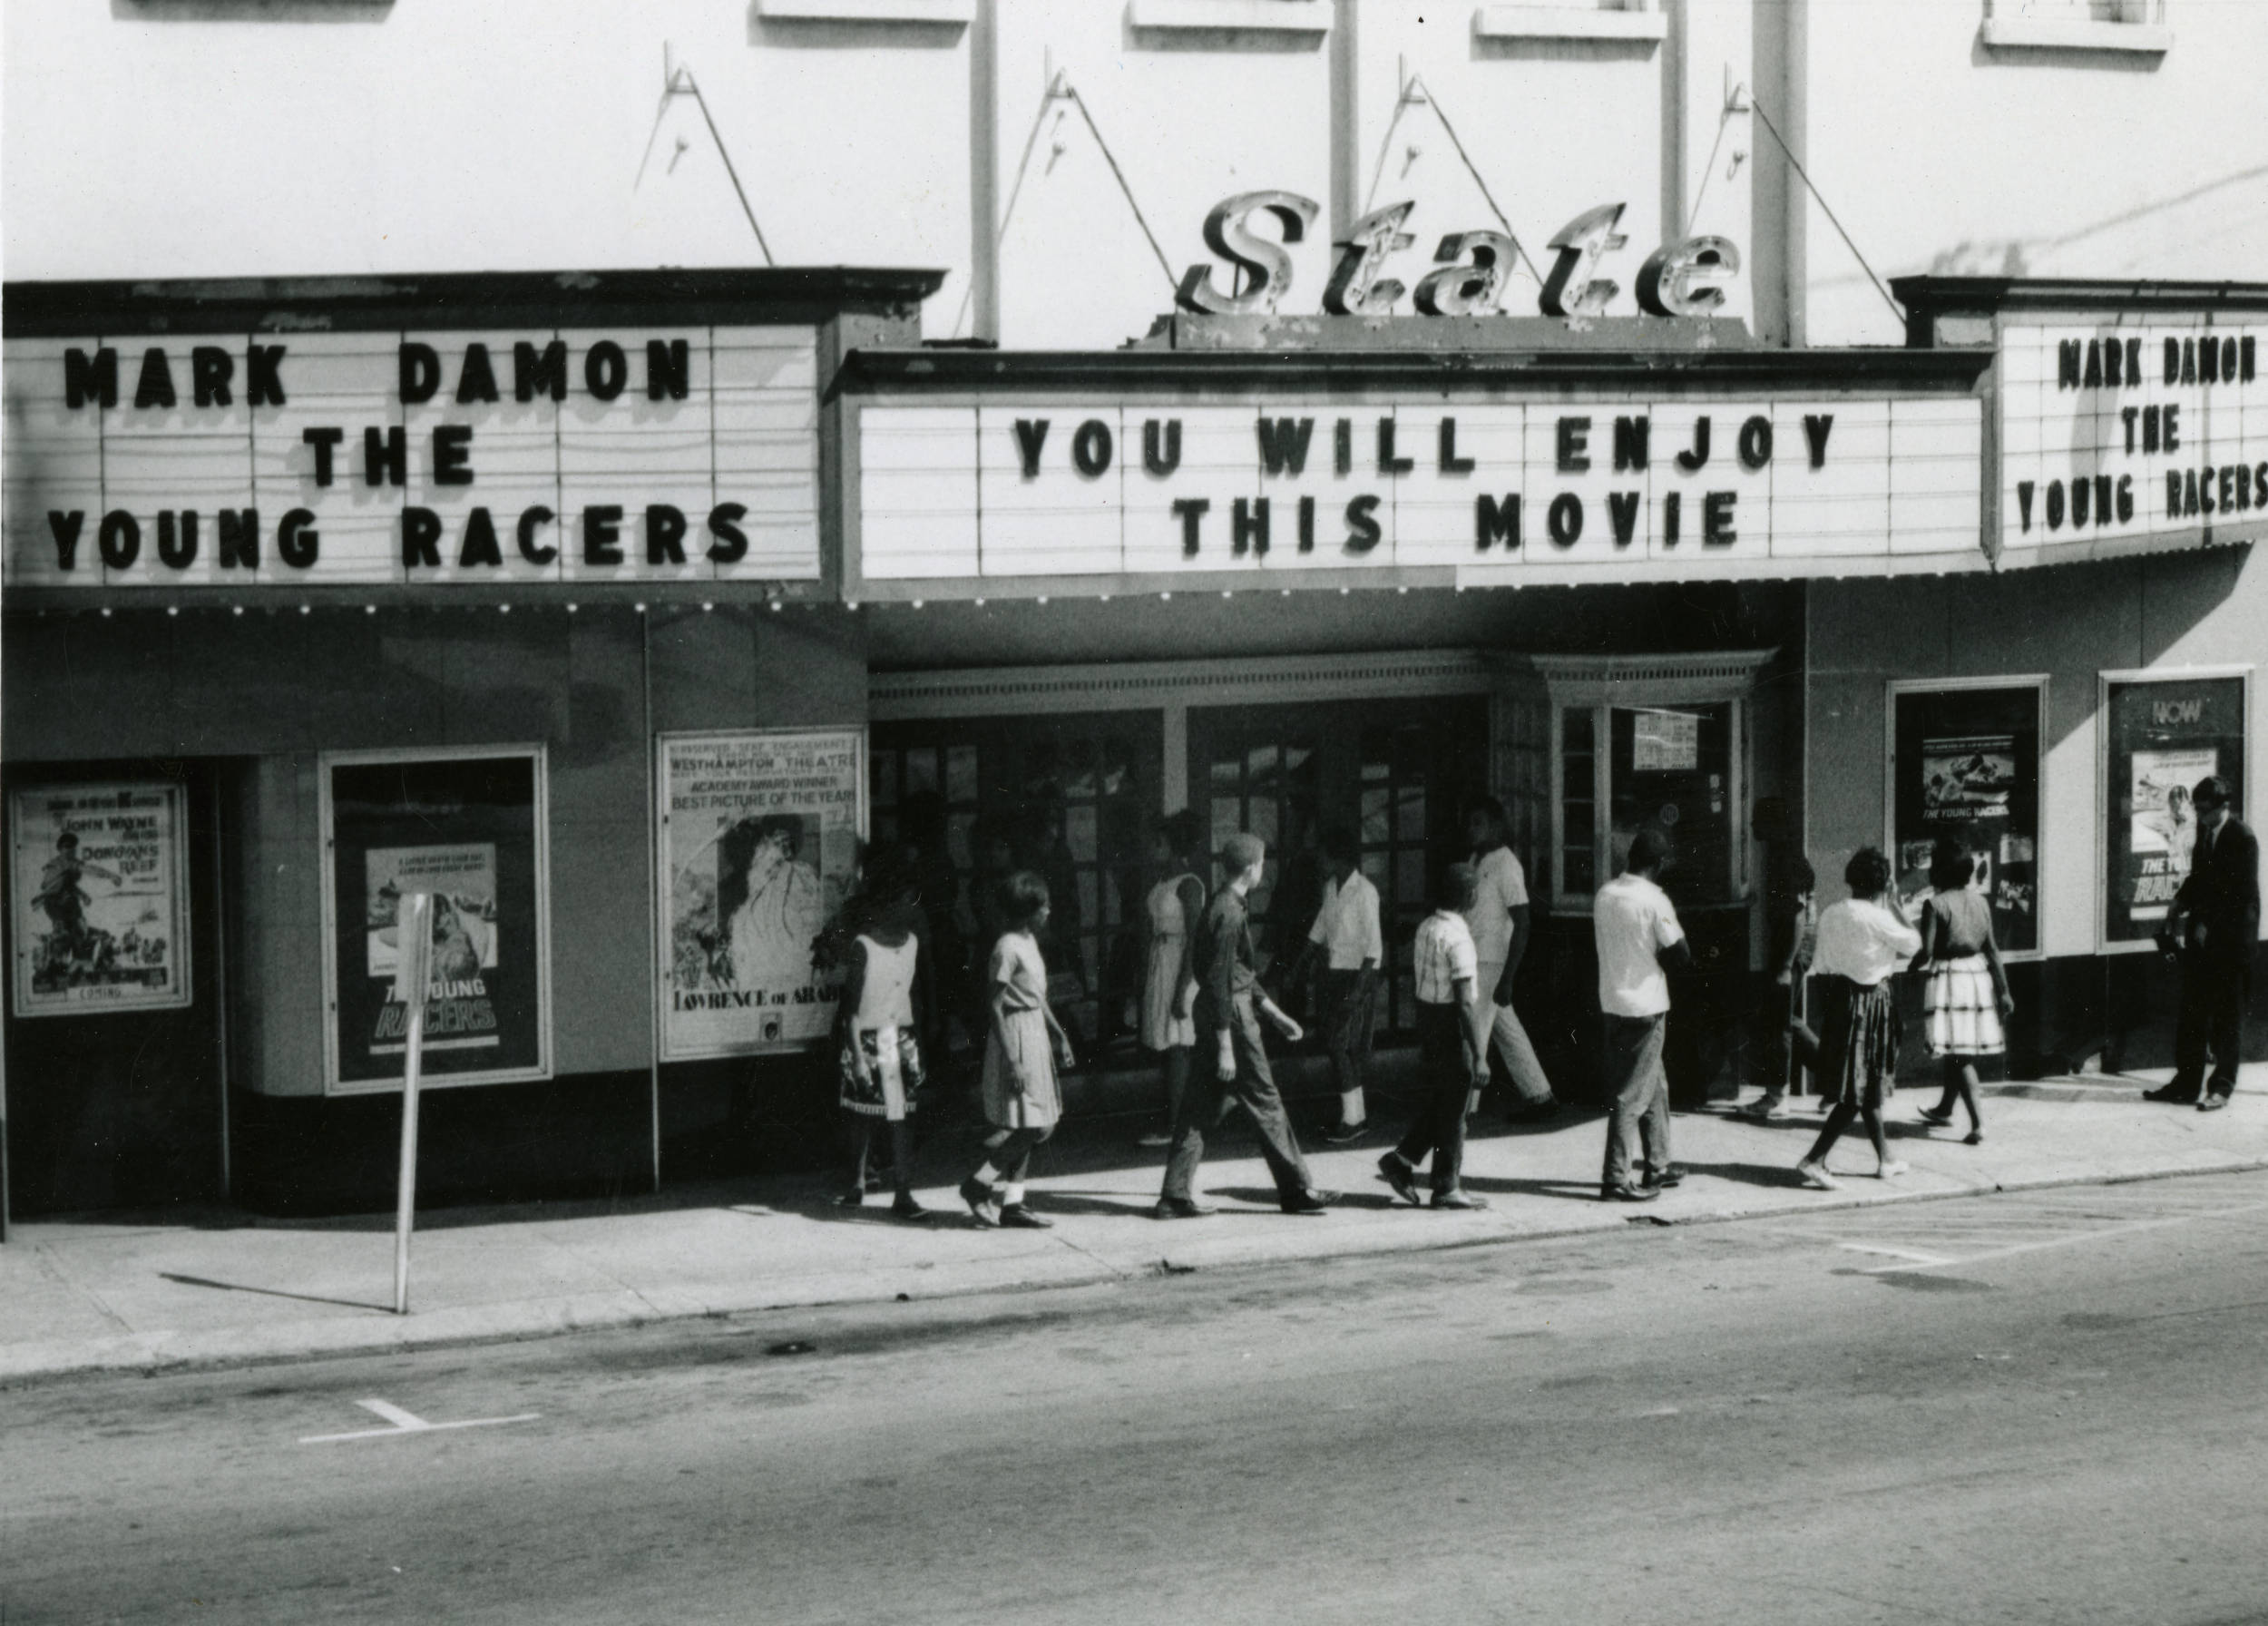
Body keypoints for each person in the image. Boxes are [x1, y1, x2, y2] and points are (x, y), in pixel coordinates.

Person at [1154, 832, 1334, 1219]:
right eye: (1262, 863)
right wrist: (1225, 1044)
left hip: (1222, 1012)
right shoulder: (1230, 913)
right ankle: (1297, 1189)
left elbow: (1238, 974)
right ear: (1251, 868)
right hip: (1231, 1019)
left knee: (1198, 1106)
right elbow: (1221, 980)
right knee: (1266, 1101)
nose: (1264, 870)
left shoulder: (1222, 904)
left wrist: (1276, 1014)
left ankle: (1174, 1194)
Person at [1795, 847, 1922, 1190]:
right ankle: (1814, 1159)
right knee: (1858, 1089)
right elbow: (1914, 943)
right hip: (1870, 1003)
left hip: (1838, 999)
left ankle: (1886, 1158)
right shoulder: (1879, 917)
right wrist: (1896, 904)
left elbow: (1820, 964)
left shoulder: (1832, 914)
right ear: (1885, 882)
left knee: (1865, 1086)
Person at [960, 871, 1077, 1229]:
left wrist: (1060, 1035)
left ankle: (1014, 1203)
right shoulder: (1006, 947)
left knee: (1033, 1122)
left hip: (1035, 1032)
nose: (1049, 911)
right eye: (1044, 906)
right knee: (1034, 1124)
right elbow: (994, 1005)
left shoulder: (1029, 942)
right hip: (1015, 1037)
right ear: (1028, 911)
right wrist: (1013, 1061)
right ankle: (978, 1185)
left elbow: (1037, 998)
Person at [1376, 863, 1491, 1210]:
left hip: (1427, 1020)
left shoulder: (1427, 927)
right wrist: (1480, 1053)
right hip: (1451, 1026)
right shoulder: (1459, 938)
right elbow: (1465, 1004)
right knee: (1455, 1112)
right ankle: (1446, 1185)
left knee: (1445, 1101)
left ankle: (1402, 1159)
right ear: (1470, 897)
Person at [2146, 776, 2259, 1111]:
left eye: (2205, 810)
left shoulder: (2242, 838)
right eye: (2197, 809)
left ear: (2224, 806)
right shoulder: (2204, 833)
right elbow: (2201, 879)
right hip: (2203, 941)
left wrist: (2208, 924)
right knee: (2192, 1014)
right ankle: (2186, 1083)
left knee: (2226, 1018)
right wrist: (2179, 901)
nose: (2199, 815)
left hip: (2231, 944)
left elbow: (2240, 895)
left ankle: (2221, 1087)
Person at [1594, 828, 1692, 1202]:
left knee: (1655, 1085)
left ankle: (1659, 1162)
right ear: (1659, 864)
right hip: (1646, 1006)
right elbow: (1678, 953)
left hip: (1613, 1001)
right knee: (1632, 1095)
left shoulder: (1606, 894)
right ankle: (1616, 1177)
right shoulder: (1655, 901)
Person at [832, 855, 930, 1223]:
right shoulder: (864, 947)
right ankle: (857, 1182)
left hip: (900, 1039)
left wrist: (918, 1043)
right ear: (888, 902)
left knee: (902, 1119)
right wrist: (857, 1056)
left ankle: (903, 1192)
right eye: (906, 900)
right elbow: (852, 1010)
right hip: (869, 1041)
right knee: (862, 1118)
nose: (911, 908)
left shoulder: (912, 944)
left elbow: (910, 996)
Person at [1284, 823, 1383, 1144]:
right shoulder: (1331, 887)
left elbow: (1374, 951)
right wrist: (1297, 968)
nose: (1319, 863)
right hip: (1332, 976)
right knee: (1338, 1047)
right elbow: (1318, 931)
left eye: (1323, 857)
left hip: (1356, 978)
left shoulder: (1365, 892)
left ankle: (1353, 1120)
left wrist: (1356, 994)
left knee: (1340, 1047)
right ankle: (1354, 1116)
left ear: (1339, 858)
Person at [1464, 798, 1560, 1123]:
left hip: (1491, 962)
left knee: (1473, 1033)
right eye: (1471, 822)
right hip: (1474, 957)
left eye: (1479, 822)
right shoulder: (1477, 859)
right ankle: (1540, 1095)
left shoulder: (1507, 865)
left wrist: (1508, 977)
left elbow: (1523, 921)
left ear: (1496, 826)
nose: (1472, 829)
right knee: (1507, 1030)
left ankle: (1465, 1108)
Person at [1910, 837, 2011, 1145]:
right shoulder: (1979, 901)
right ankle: (1944, 1108)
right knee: (1958, 1049)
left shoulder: (1935, 904)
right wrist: (2004, 991)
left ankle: (1978, 1124)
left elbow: (1926, 951)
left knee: (1959, 1055)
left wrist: (1911, 968)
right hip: (1977, 976)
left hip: (1949, 978)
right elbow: (1992, 950)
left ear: (1937, 871)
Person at [1136, 811, 1207, 1149]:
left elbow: (1195, 938)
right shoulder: (1164, 881)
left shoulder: (1190, 884)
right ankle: (1179, 1119)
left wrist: (1184, 988)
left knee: (1180, 1047)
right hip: (1161, 962)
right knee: (1170, 1045)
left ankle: (1178, 1125)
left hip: (1181, 965)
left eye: (1159, 842)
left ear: (1174, 845)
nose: (1154, 848)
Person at [1740, 854, 1821, 1121]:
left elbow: (1797, 920)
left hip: (1792, 958)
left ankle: (1776, 1096)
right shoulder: (1805, 887)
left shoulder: (1794, 884)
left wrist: (1786, 965)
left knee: (1780, 1026)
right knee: (1788, 1020)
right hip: (1797, 956)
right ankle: (1834, 1075)